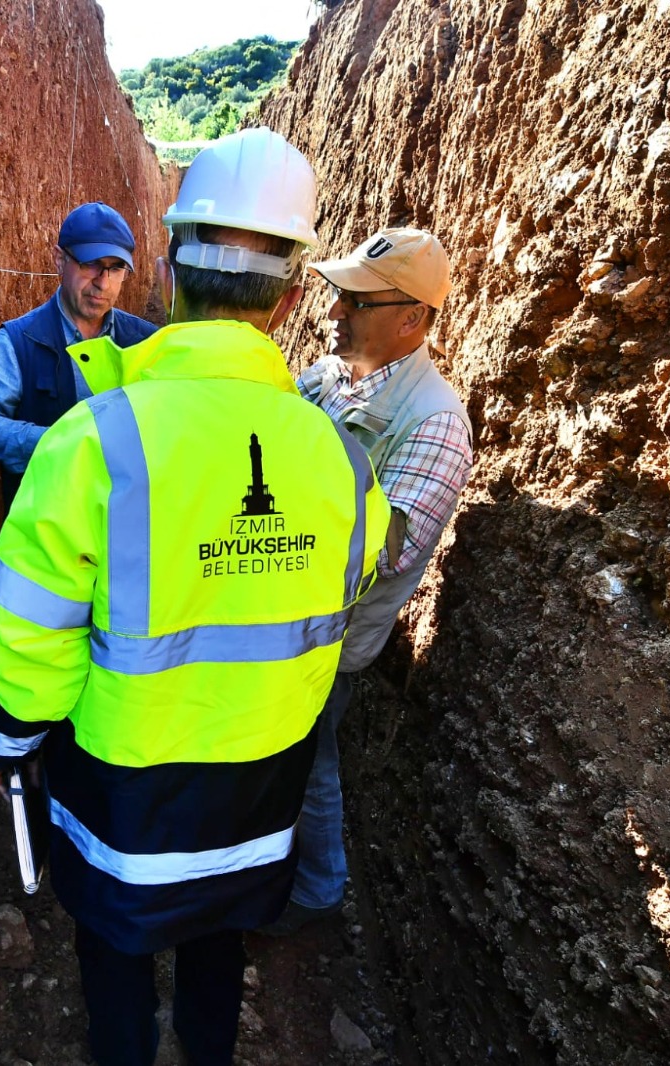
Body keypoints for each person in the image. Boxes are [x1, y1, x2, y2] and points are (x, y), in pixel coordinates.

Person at [0, 128, 390, 1066]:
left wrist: (5, 741)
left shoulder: (91, 441)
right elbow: (349, 587)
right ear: (290, 296)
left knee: (114, 950)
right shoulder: (342, 457)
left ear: (165, 269)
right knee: (219, 940)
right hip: (262, 781)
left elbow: (32, 634)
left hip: (124, 783)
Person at [264, 227, 475, 934]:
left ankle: (317, 889)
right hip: (282, 617)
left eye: (356, 301)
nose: (334, 312)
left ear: (412, 317)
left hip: (330, 640)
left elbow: (388, 551)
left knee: (308, 762)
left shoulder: (436, 423)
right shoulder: (329, 377)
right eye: (337, 295)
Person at [0, 201, 157, 506]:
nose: (103, 283)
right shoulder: (19, 341)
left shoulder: (146, 341)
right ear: (60, 260)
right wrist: (57, 442)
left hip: (121, 521)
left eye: (116, 268)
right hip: (45, 521)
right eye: (91, 264)